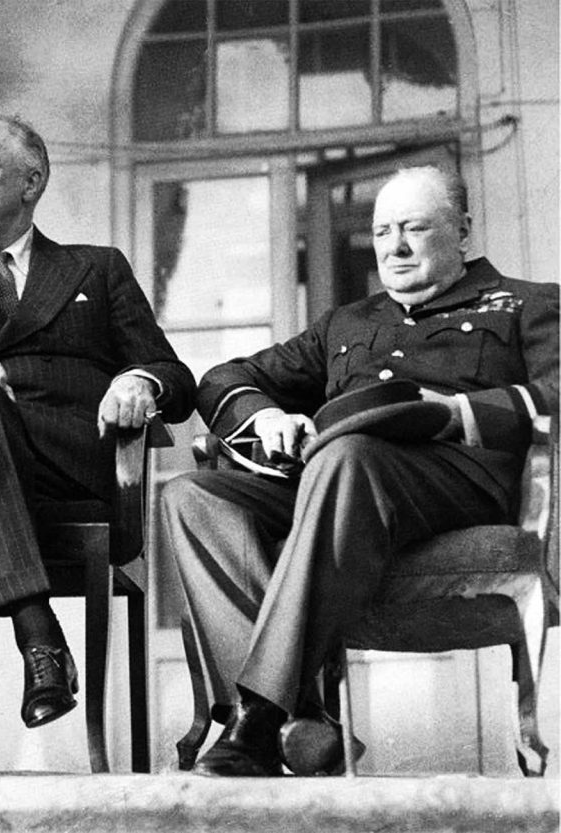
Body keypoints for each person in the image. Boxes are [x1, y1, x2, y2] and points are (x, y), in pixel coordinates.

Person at [160, 165, 559, 777]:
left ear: (462, 232)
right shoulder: (347, 323)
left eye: (415, 229)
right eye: (382, 232)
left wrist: (456, 413)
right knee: (194, 496)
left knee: (346, 455)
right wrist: (267, 416)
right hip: (339, 486)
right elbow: (224, 379)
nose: (395, 248)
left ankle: (259, 718)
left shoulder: (527, 303)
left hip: (458, 482)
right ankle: (301, 718)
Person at [0, 112, 195, 778]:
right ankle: (36, 629)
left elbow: (175, 375)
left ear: (31, 181)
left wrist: (138, 380)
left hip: (61, 461)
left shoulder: (96, 269)